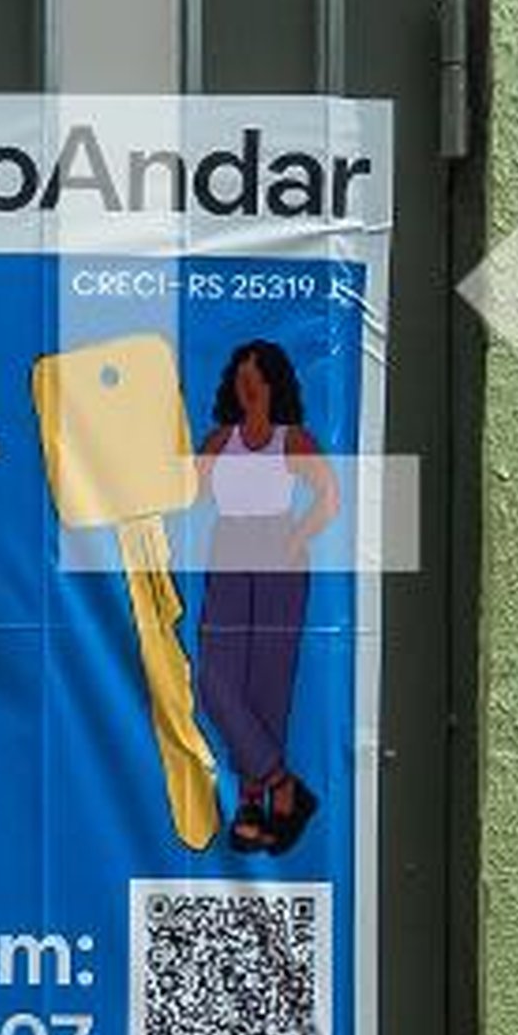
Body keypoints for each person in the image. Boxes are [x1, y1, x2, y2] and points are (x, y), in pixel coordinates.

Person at [192, 336, 338, 856]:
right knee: (216, 681)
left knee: (267, 685)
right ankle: (283, 784)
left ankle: (253, 802)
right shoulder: (219, 440)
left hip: (278, 554)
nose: (247, 386)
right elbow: (191, 491)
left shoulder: (291, 440)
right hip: (229, 550)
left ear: (274, 384)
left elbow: (329, 496)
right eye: (240, 377)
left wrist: (297, 537)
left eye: (255, 378)